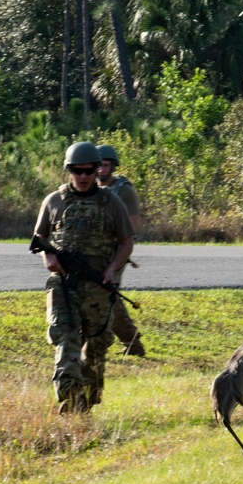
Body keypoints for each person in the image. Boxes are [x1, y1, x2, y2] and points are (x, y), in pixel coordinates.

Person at [34, 141, 135, 414]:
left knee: (96, 348)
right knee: (66, 337)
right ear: (69, 170)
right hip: (63, 285)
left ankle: (84, 405)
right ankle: (68, 398)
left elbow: (127, 242)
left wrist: (112, 270)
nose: (83, 176)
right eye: (77, 171)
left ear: (95, 169)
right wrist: (49, 259)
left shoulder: (112, 202)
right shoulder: (54, 201)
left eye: (88, 171)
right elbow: (39, 238)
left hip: (98, 286)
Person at [95, 143, 145, 356]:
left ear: (113, 166)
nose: (100, 170)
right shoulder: (90, 188)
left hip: (117, 250)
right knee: (102, 295)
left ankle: (131, 342)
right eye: (98, 165)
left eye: (105, 165)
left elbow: (132, 227)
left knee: (107, 294)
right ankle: (130, 342)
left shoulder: (124, 191)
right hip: (95, 250)